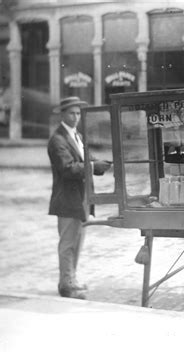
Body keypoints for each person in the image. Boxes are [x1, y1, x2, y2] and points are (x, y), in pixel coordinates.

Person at [48, 96, 111, 299]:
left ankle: (71, 280)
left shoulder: (77, 136)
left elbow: (86, 158)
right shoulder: (57, 140)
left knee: (78, 241)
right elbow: (67, 169)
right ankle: (66, 284)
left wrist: (101, 163)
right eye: (71, 113)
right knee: (67, 243)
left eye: (77, 113)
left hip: (82, 199)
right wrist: (93, 167)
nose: (75, 117)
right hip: (67, 199)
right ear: (63, 114)